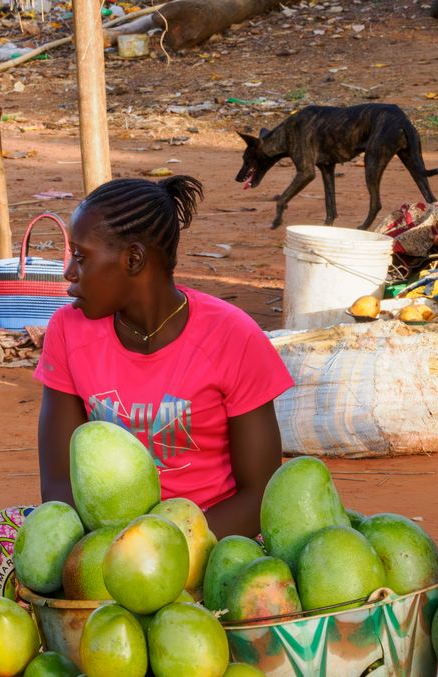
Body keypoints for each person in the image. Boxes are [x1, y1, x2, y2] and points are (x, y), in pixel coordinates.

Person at [33, 175, 294, 540]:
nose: (69, 273)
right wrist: (109, 555)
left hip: (209, 539)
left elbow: (261, 494)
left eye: (81, 257)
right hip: (104, 547)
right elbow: (58, 486)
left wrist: (166, 551)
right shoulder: (68, 330)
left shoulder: (232, 337)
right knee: (12, 531)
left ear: (133, 259)